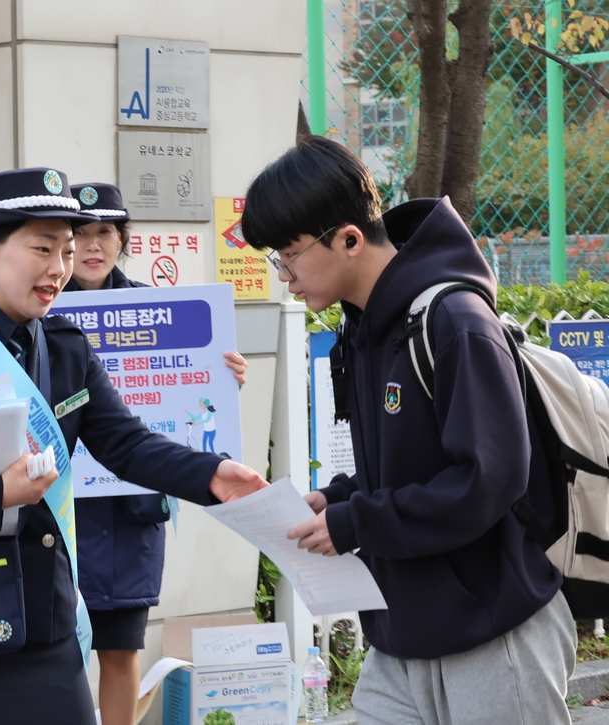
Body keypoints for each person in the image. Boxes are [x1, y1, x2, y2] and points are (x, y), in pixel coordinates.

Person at [0, 168, 269, 725]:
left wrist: (210, 473)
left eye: (67, 251)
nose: (59, 268)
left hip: (44, 614)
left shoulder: (68, 347)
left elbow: (125, 443)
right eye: (43, 248)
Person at [242, 136, 574, 725]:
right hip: (399, 641)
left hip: (494, 632)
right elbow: (408, 465)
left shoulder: (455, 321)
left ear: (348, 239)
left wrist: (356, 522)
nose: (284, 276)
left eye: (289, 255)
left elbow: (487, 481)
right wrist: (339, 500)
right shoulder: (361, 329)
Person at [65, 182, 248, 725]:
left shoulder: (154, 309)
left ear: (123, 240)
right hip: (61, 506)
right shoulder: (36, 312)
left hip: (131, 506)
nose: (92, 245)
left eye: (105, 232)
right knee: (59, 650)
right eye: (80, 233)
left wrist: (223, 378)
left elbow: (191, 397)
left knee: (121, 647)